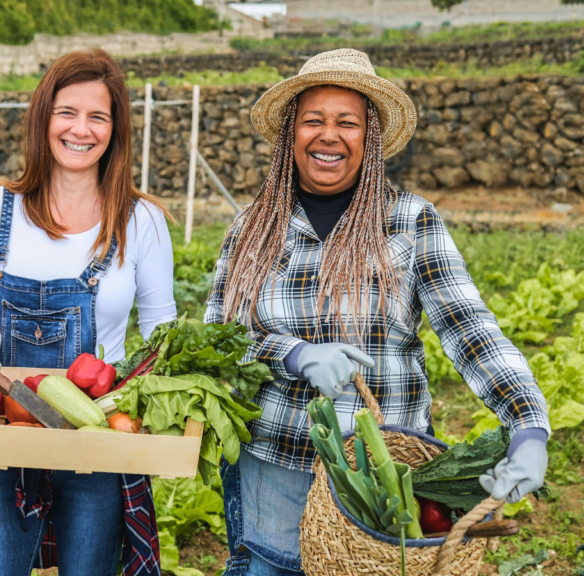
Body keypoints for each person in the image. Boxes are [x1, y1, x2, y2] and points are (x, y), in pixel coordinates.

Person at [205, 48, 551, 576]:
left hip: (383, 481)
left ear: (370, 140)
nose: (328, 135)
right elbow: (218, 341)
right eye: (312, 120)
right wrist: (291, 353)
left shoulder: (410, 222)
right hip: (275, 466)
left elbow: (471, 329)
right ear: (289, 135)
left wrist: (527, 425)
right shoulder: (251, 228)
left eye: (347, 122)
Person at [0, 49, 177, 576]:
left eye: (98, 116)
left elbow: (163, 333)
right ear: (43, 118)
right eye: (66, 112)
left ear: (116, 129)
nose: (80, 129)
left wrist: (149, 403)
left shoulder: (143, 222)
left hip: (100, 439)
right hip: (8, 430)